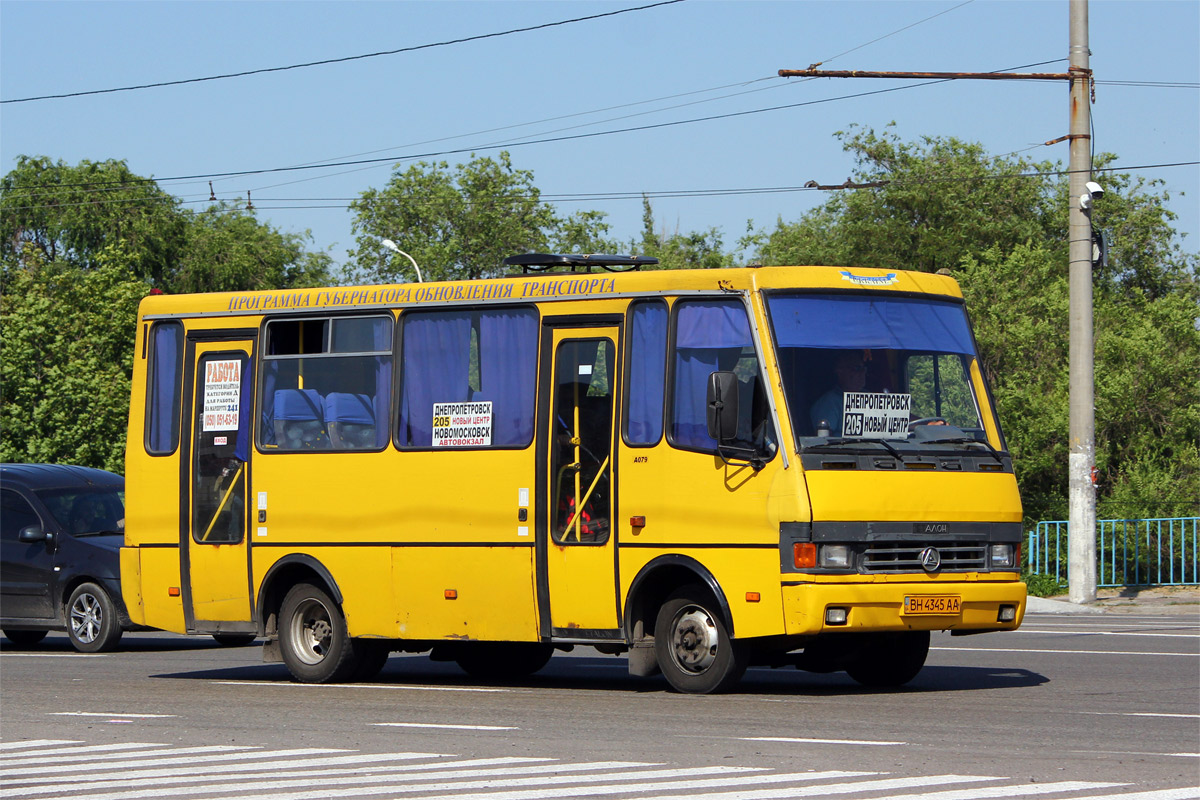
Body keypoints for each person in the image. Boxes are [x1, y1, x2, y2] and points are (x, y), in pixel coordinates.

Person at [810, 350, 868, 436]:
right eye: (856, 369)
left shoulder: (870, 397)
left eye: (864, 368)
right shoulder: (830, 402)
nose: (862, 373)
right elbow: (823, 442)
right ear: (840, 372)